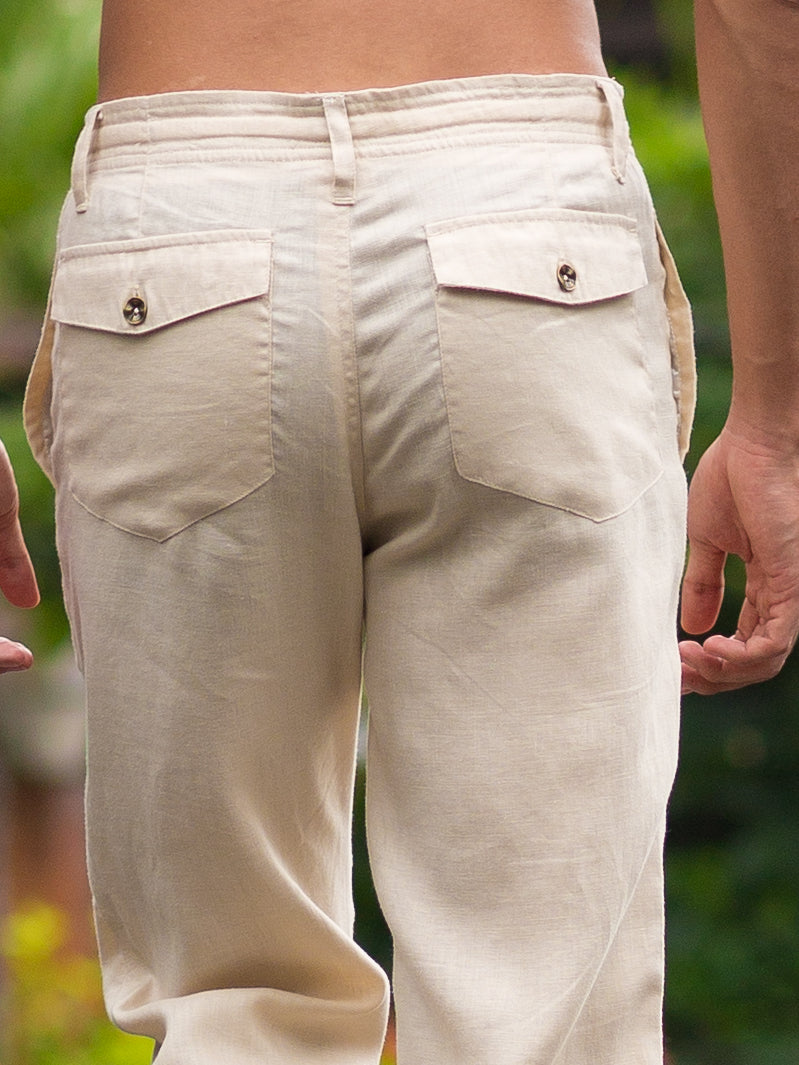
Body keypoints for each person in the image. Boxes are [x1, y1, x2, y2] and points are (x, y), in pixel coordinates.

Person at [18, 0, 799, 1062]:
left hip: (181, 228)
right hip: (525, 225)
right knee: (541, 1007)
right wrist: (773, 426)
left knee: (231, 1007)